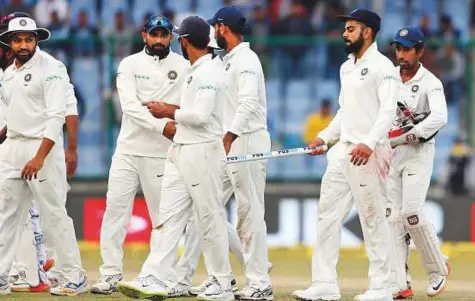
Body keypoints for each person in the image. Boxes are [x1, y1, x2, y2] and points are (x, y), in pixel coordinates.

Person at [117, 15, 235, 301]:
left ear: (183, 41)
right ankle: (155, 274)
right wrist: (170, 110)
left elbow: (201, 116)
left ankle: (222, 281)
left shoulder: (209, 72)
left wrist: (168, 113)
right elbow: (190, 110)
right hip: (181, 150)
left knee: (209, 217)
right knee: (168, 218)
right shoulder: (196, 70)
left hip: (202, 152)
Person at [293, 9, 399, 301]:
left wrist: (368, 142)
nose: (344, 33)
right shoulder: (346, 67)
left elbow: (388, 112)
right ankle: (324, 283)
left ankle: (381, 287)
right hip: (342, 153)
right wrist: (325, 137)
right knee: (326, 216)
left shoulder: (383, 67)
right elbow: (344, 112)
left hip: (369, 154)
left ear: (367, 32)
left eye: (351, 29)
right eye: (345, 28)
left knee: (372, 220)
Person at [90, 15, 189, 294]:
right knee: (115, 213)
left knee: (162, 218)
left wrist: (168, 112)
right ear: (144, 35)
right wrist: (161, 123)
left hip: (161, 154)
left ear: (171, 37)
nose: (159, 40)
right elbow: (130, 108)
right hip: (128, 150)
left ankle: (162, 276)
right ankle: (110, 274)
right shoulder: (129, 64)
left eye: (164, 35)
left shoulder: (183, 67)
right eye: (154, 34)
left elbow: (184, 106)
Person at [0, 16, 87, 296]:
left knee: (53, 214)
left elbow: (56, 116)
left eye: (28, 39)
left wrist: (39, 156)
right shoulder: (9, 73)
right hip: (13, 146)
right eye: (17, 40)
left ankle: (74, 275)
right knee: (6, 215)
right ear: (9, 43)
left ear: (37, 40)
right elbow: (10, 112)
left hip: (42, 147)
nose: (23, 44)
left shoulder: (52, 67)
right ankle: (2, 275)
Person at [206, 7, 274, 300]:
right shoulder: (227, 61)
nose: (212, 33)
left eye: (214, 28)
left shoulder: (246, 59)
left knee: (249, 211)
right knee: (206, 205)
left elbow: (247, 104)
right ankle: (229, 275)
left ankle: (260, 283)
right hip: (229, 141)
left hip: (246, 140)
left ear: (223, 28)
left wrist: (229, 135)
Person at [386, 26, 449, 299]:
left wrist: (410, 135)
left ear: (420, 51)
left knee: (411, 214)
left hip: (418, 154)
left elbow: (440, 117)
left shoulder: (430, 82)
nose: (401, 54)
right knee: (393, 220)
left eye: (407, 49)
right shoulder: (388, 78)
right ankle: (400, 283)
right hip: (391, 157)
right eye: (398, 48)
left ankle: (438, 270)